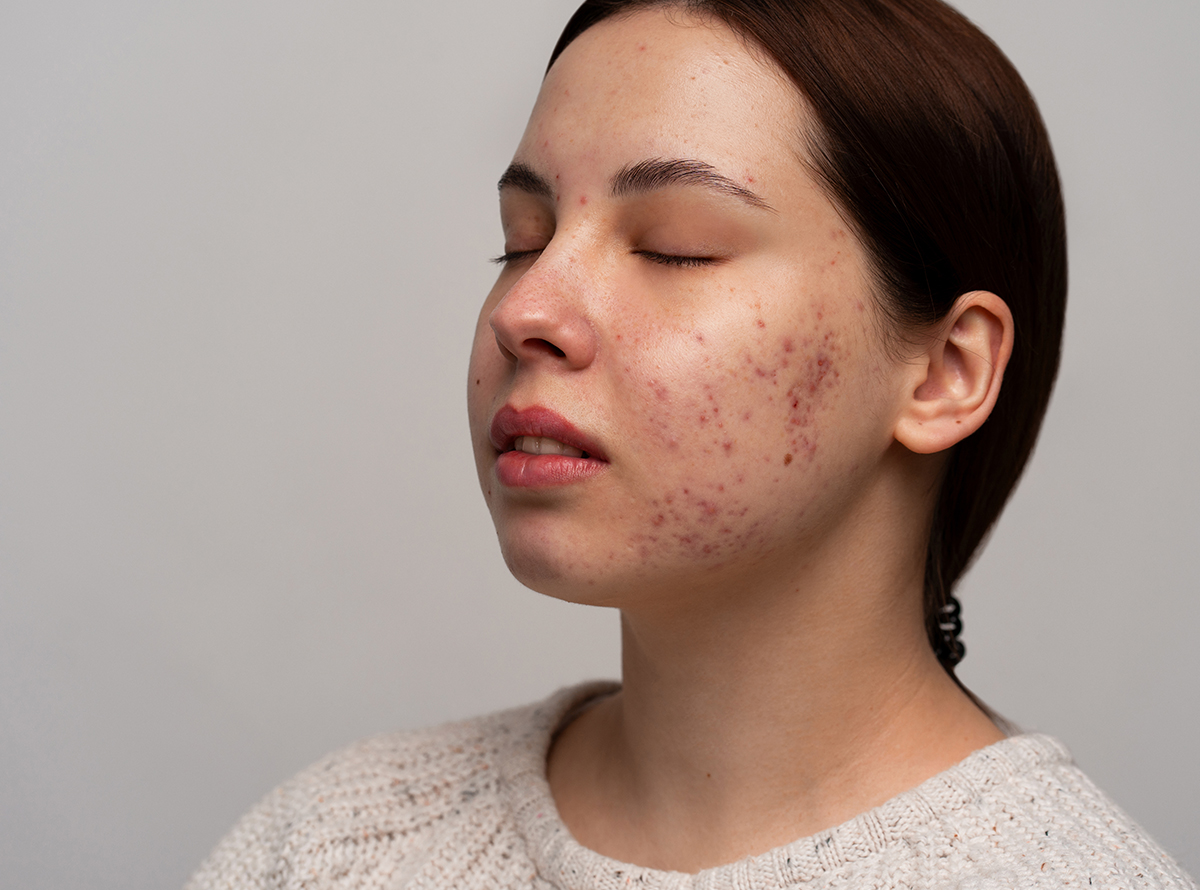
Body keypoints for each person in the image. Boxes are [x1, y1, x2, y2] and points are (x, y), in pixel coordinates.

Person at [187, 1, 1196, 887]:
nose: (524, 309)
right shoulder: (326, 846)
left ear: (945, 372)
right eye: (522, 240)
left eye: (674, 245)